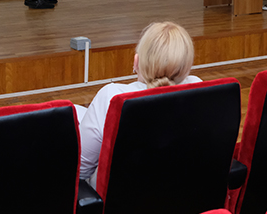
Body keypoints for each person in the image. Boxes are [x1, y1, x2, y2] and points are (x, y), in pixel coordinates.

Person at [78, 21, 201, 187]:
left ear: (136, 62)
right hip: (184, 192)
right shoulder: (200, 89)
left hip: (117, 199)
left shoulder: (112, 96)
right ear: (187, 67)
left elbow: (81, 170)